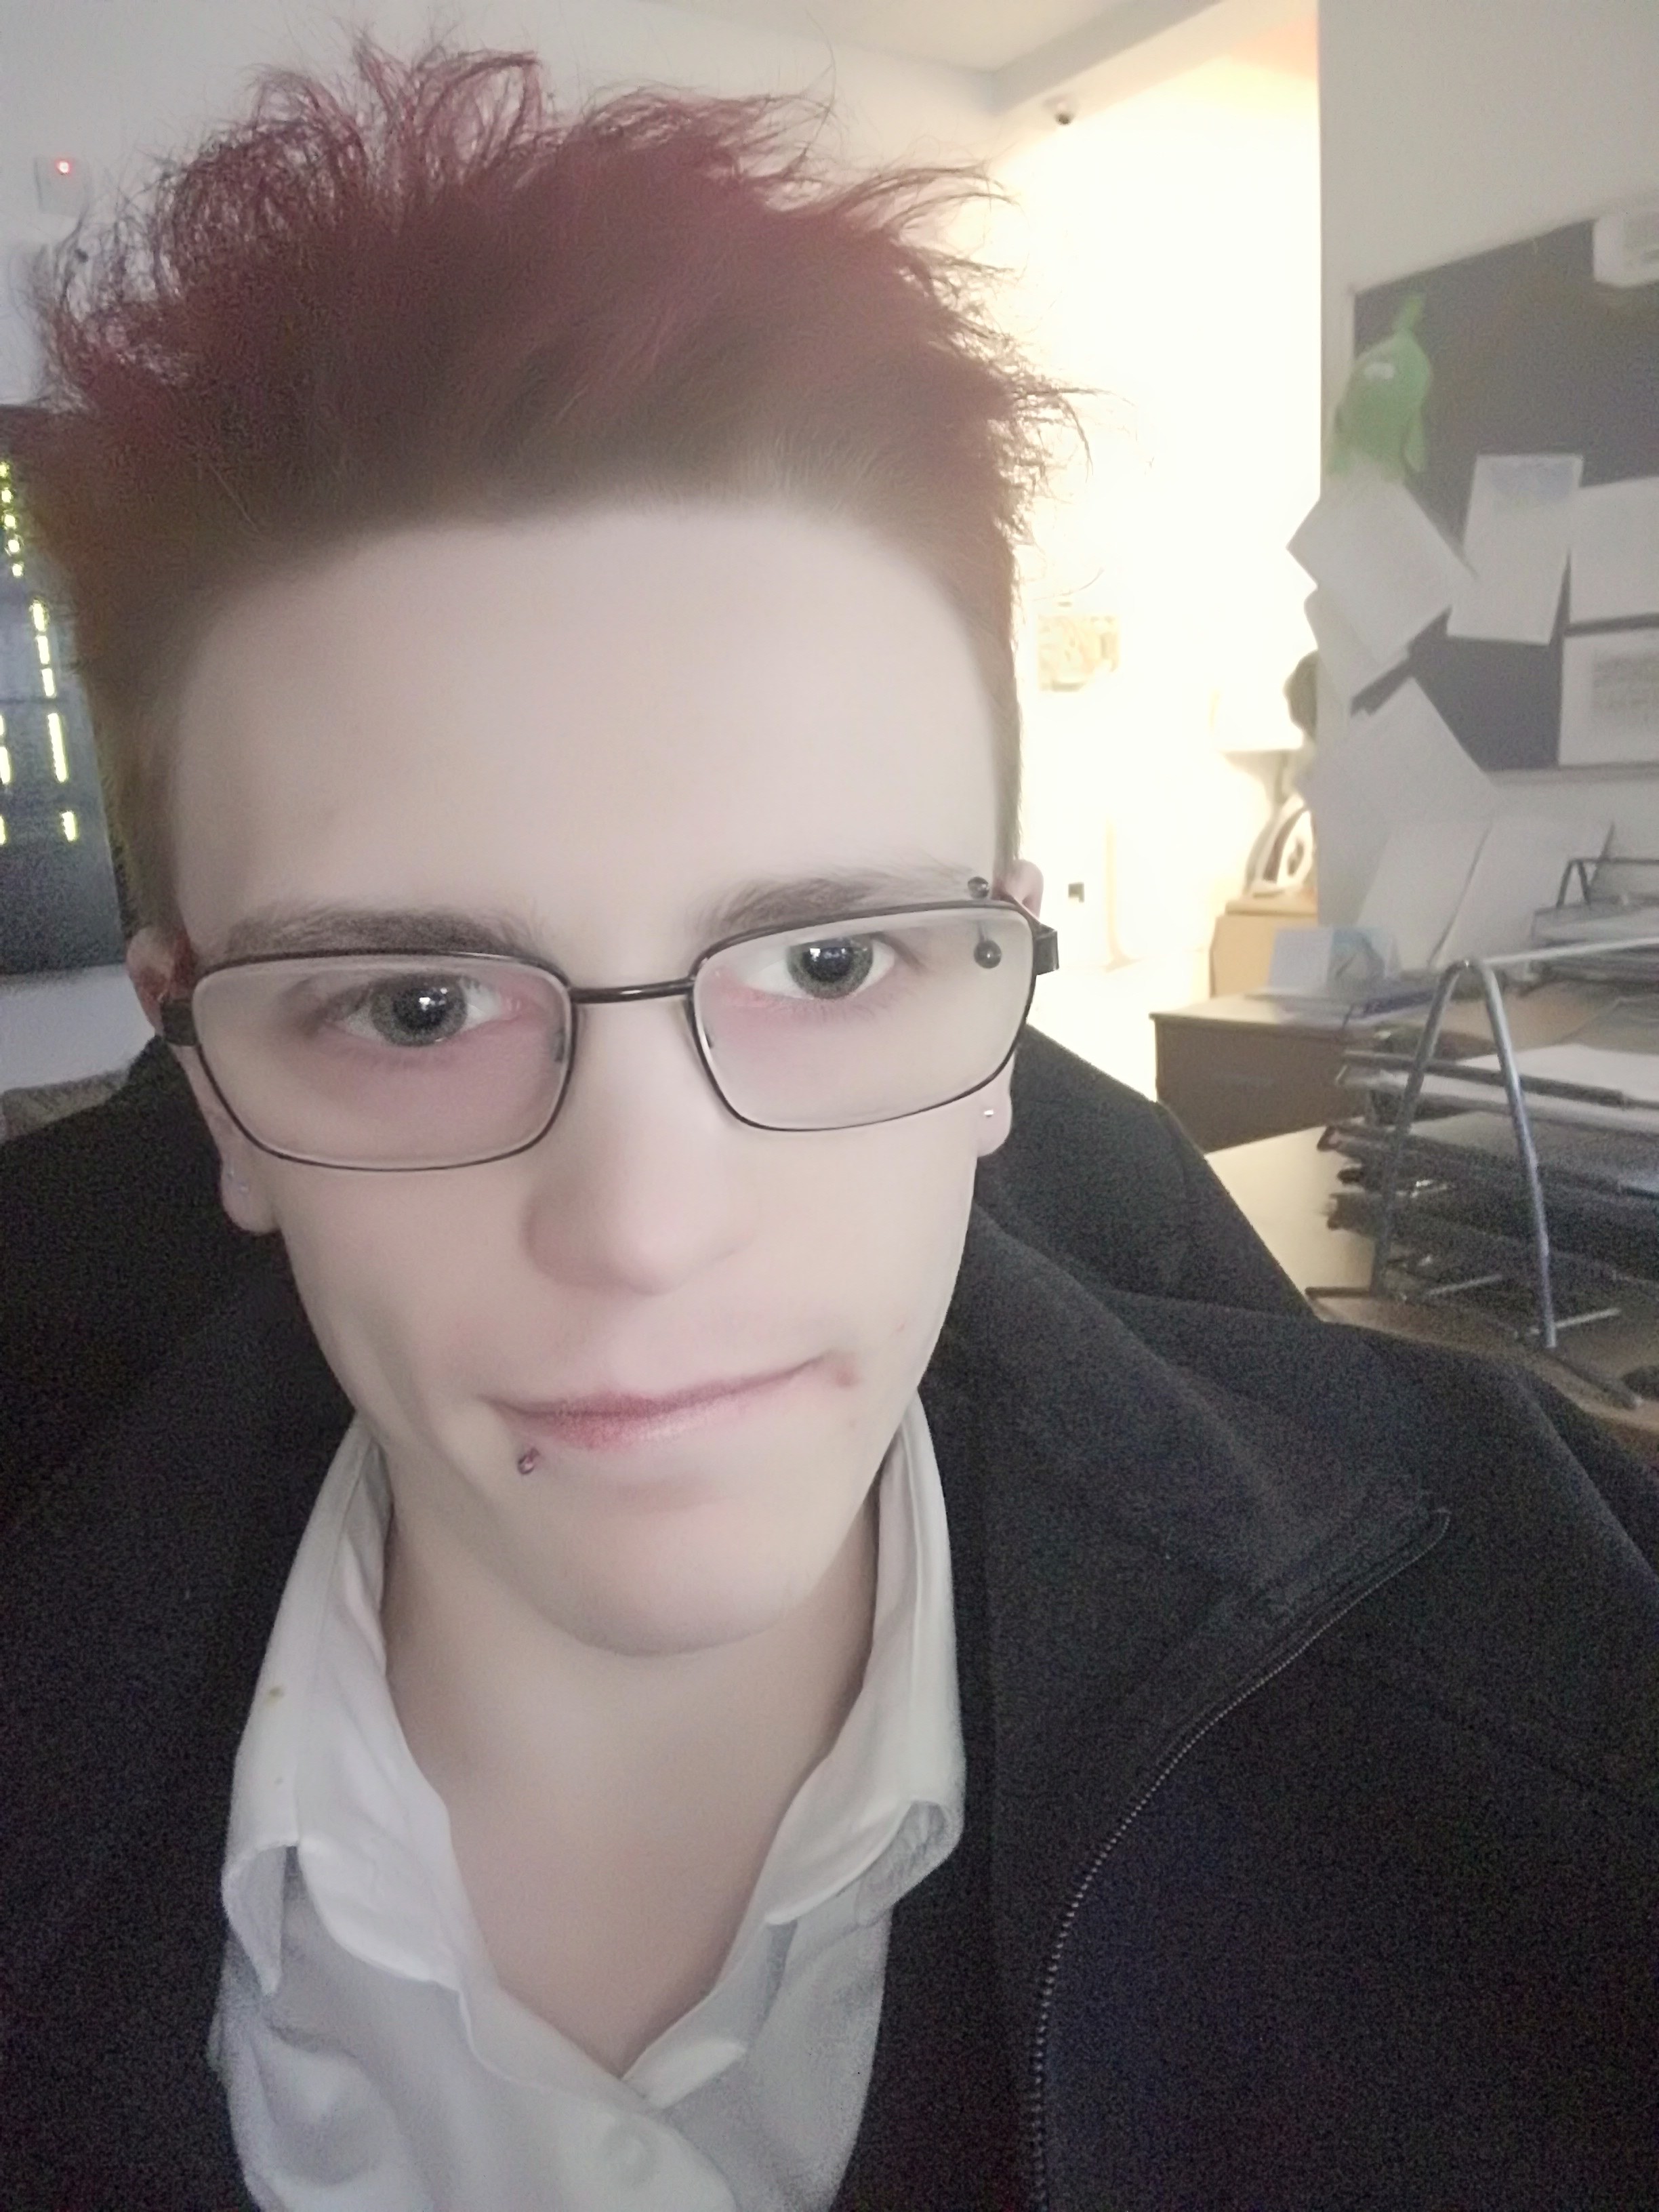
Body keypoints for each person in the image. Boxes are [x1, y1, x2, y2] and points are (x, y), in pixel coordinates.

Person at [1, 44, 1656, 2212]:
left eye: (831, 962)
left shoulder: (1565, 1703)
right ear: (209, 1078)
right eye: (416, 1007)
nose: (644, 1223)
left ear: (1001, 996)